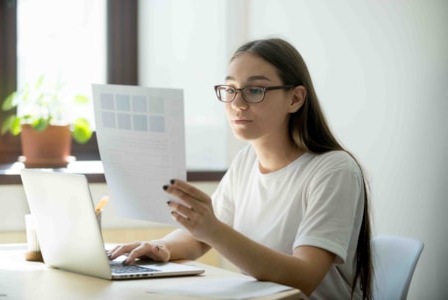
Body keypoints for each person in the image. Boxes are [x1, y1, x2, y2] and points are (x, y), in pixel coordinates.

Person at [107, 37, 373, 299]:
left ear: (295, 98)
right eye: (230, 89)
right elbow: (200, 238)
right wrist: (159, 247)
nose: (237, 103)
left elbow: (304, 277)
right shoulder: (247, 161)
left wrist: (212, 229)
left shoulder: (334, 171)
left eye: (255, 90)